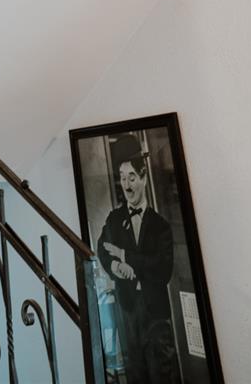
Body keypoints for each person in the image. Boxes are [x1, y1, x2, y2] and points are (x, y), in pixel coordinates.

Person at [97, 135, 177, 383]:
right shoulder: (115, 219)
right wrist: (115, 265)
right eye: (122, 178)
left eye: (132, 177)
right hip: (128, 310)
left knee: (161, 373)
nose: (127, 186)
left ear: (143, 178)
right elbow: (102, 249)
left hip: (155, 313)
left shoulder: (161, 226)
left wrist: (126, 256)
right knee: (135, 374)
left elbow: (163, 269)